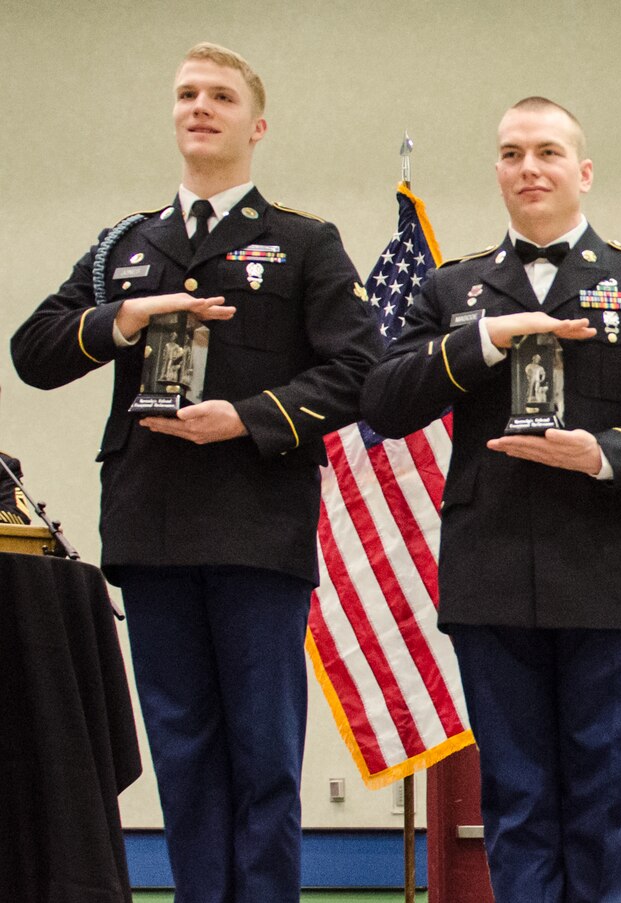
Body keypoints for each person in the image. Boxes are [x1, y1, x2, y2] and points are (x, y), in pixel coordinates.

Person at [9, 42, 380, 903]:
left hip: (256, 529)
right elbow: (33, 349)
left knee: (261, 757)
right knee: (183, 757)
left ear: (256, 125)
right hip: (152, 526)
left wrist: (245, 418)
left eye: (218, 95)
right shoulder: (125, 247)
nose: (198, 107)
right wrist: (123, 318)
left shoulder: (302, 243)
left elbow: (361, 370)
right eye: (185, 95)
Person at [360, 96, 621, 903]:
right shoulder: (454, 288)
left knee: (597, 800)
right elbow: (382, 403)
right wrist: (481, 340)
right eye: (513, 153)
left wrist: (606, 454)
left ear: (583, 171)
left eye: (549, 152)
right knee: (517, 800)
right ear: (497, 170)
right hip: (493, 578)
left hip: (608, 578)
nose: (530, 167)